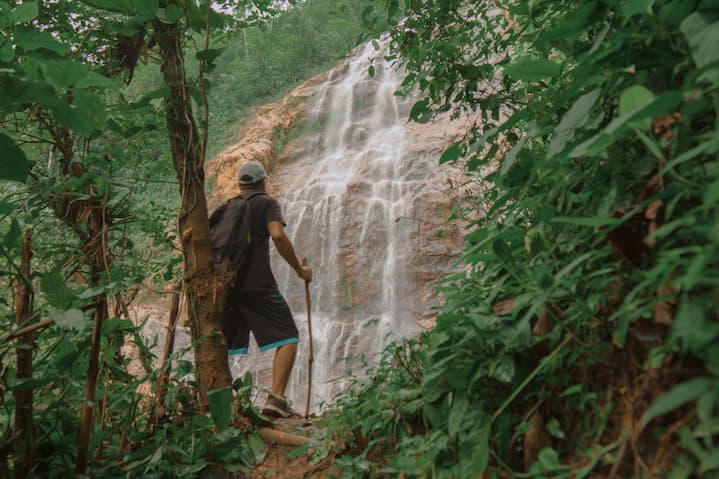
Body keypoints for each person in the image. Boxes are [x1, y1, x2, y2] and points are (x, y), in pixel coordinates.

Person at [220, 161, 312, 418]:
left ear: (240, 184)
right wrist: (299, 271)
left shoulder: (228, 206)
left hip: (227, 286)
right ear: (263, 182)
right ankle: (276, 400)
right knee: (289, 336)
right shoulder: (266, 202)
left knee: (225, 345)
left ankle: (222, 404)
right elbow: (278, 235)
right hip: (257, 284)